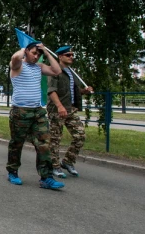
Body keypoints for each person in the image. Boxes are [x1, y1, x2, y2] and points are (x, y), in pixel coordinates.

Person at [7, 41, 63, 190]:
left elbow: (57, 71)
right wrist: (23, 49)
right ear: (26, 52)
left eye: (38, 54)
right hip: (21, 111)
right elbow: (15, 58)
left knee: (44, 144)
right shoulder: (18, 66)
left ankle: (46, 177)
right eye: (34, 53)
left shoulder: (39, 67)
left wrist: (46, 52)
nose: (36, 56)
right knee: (17, 143)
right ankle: (12, 172)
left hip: (38, 111)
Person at [47, 45, 94, 178]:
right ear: (60, 57)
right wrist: (60, 106)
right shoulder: (55, 70)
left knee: (80, 136)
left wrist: (84, 91)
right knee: (55, 139)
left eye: (72, 55)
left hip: (70, 109)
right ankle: (54, 166)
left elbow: (71, 91)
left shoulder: (71, 72)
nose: (71, 57)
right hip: (57, 110)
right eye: (68, 55)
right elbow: (51, 91)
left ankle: (67, 161)